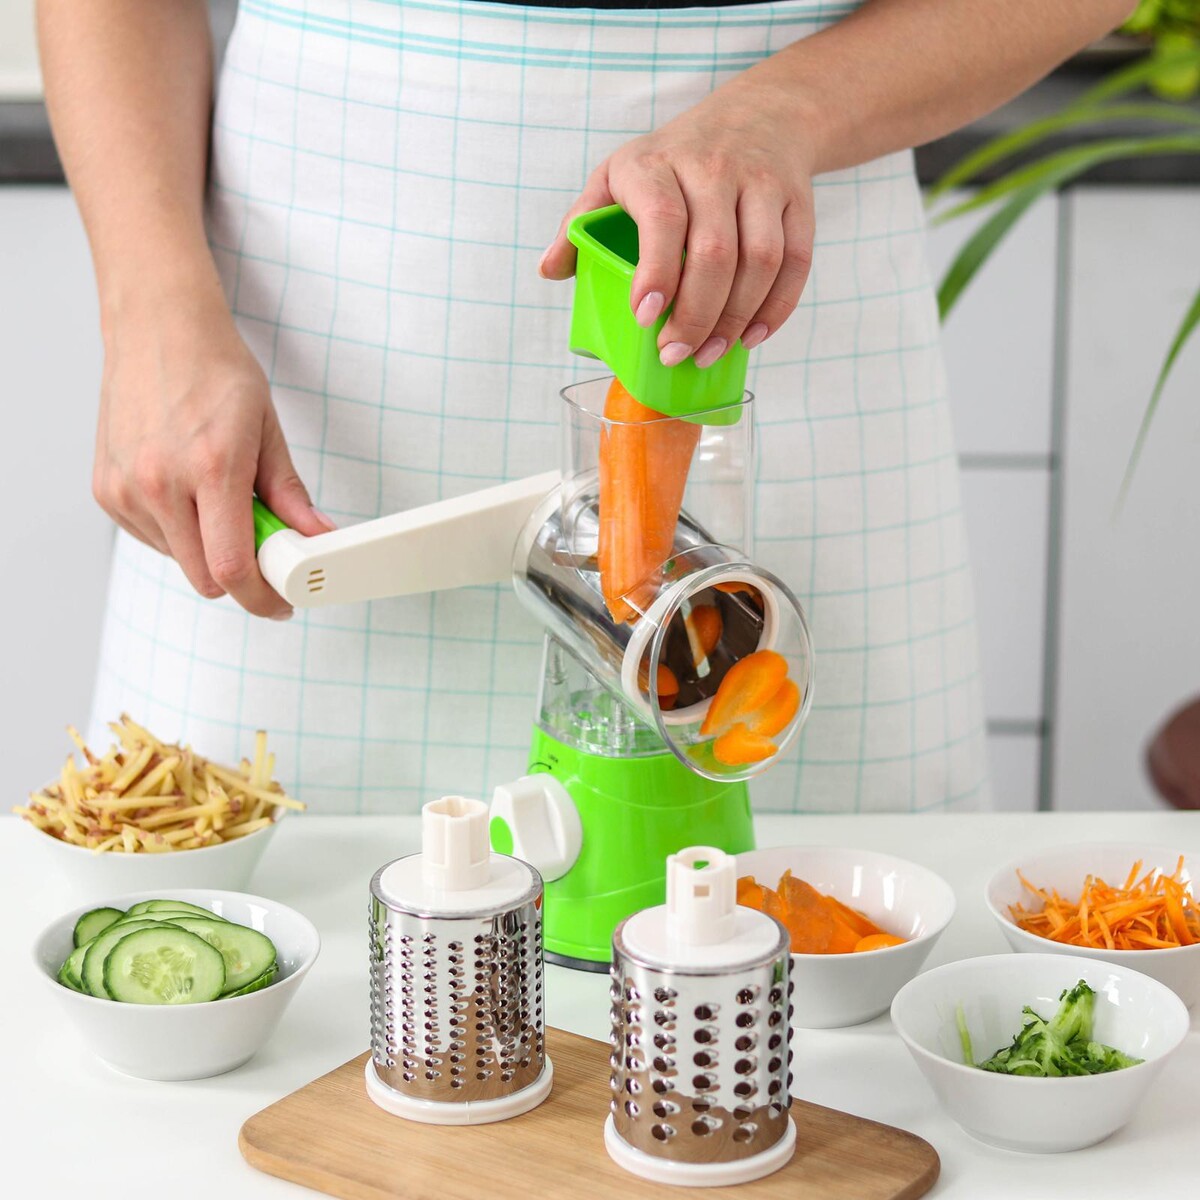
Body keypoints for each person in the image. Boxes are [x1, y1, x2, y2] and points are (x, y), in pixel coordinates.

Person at [39, 0, 1133, 813]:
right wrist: (151, 308)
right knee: (245, 942)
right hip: (319, 332)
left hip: (766, 266)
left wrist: (784, 113)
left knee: (816, 981)